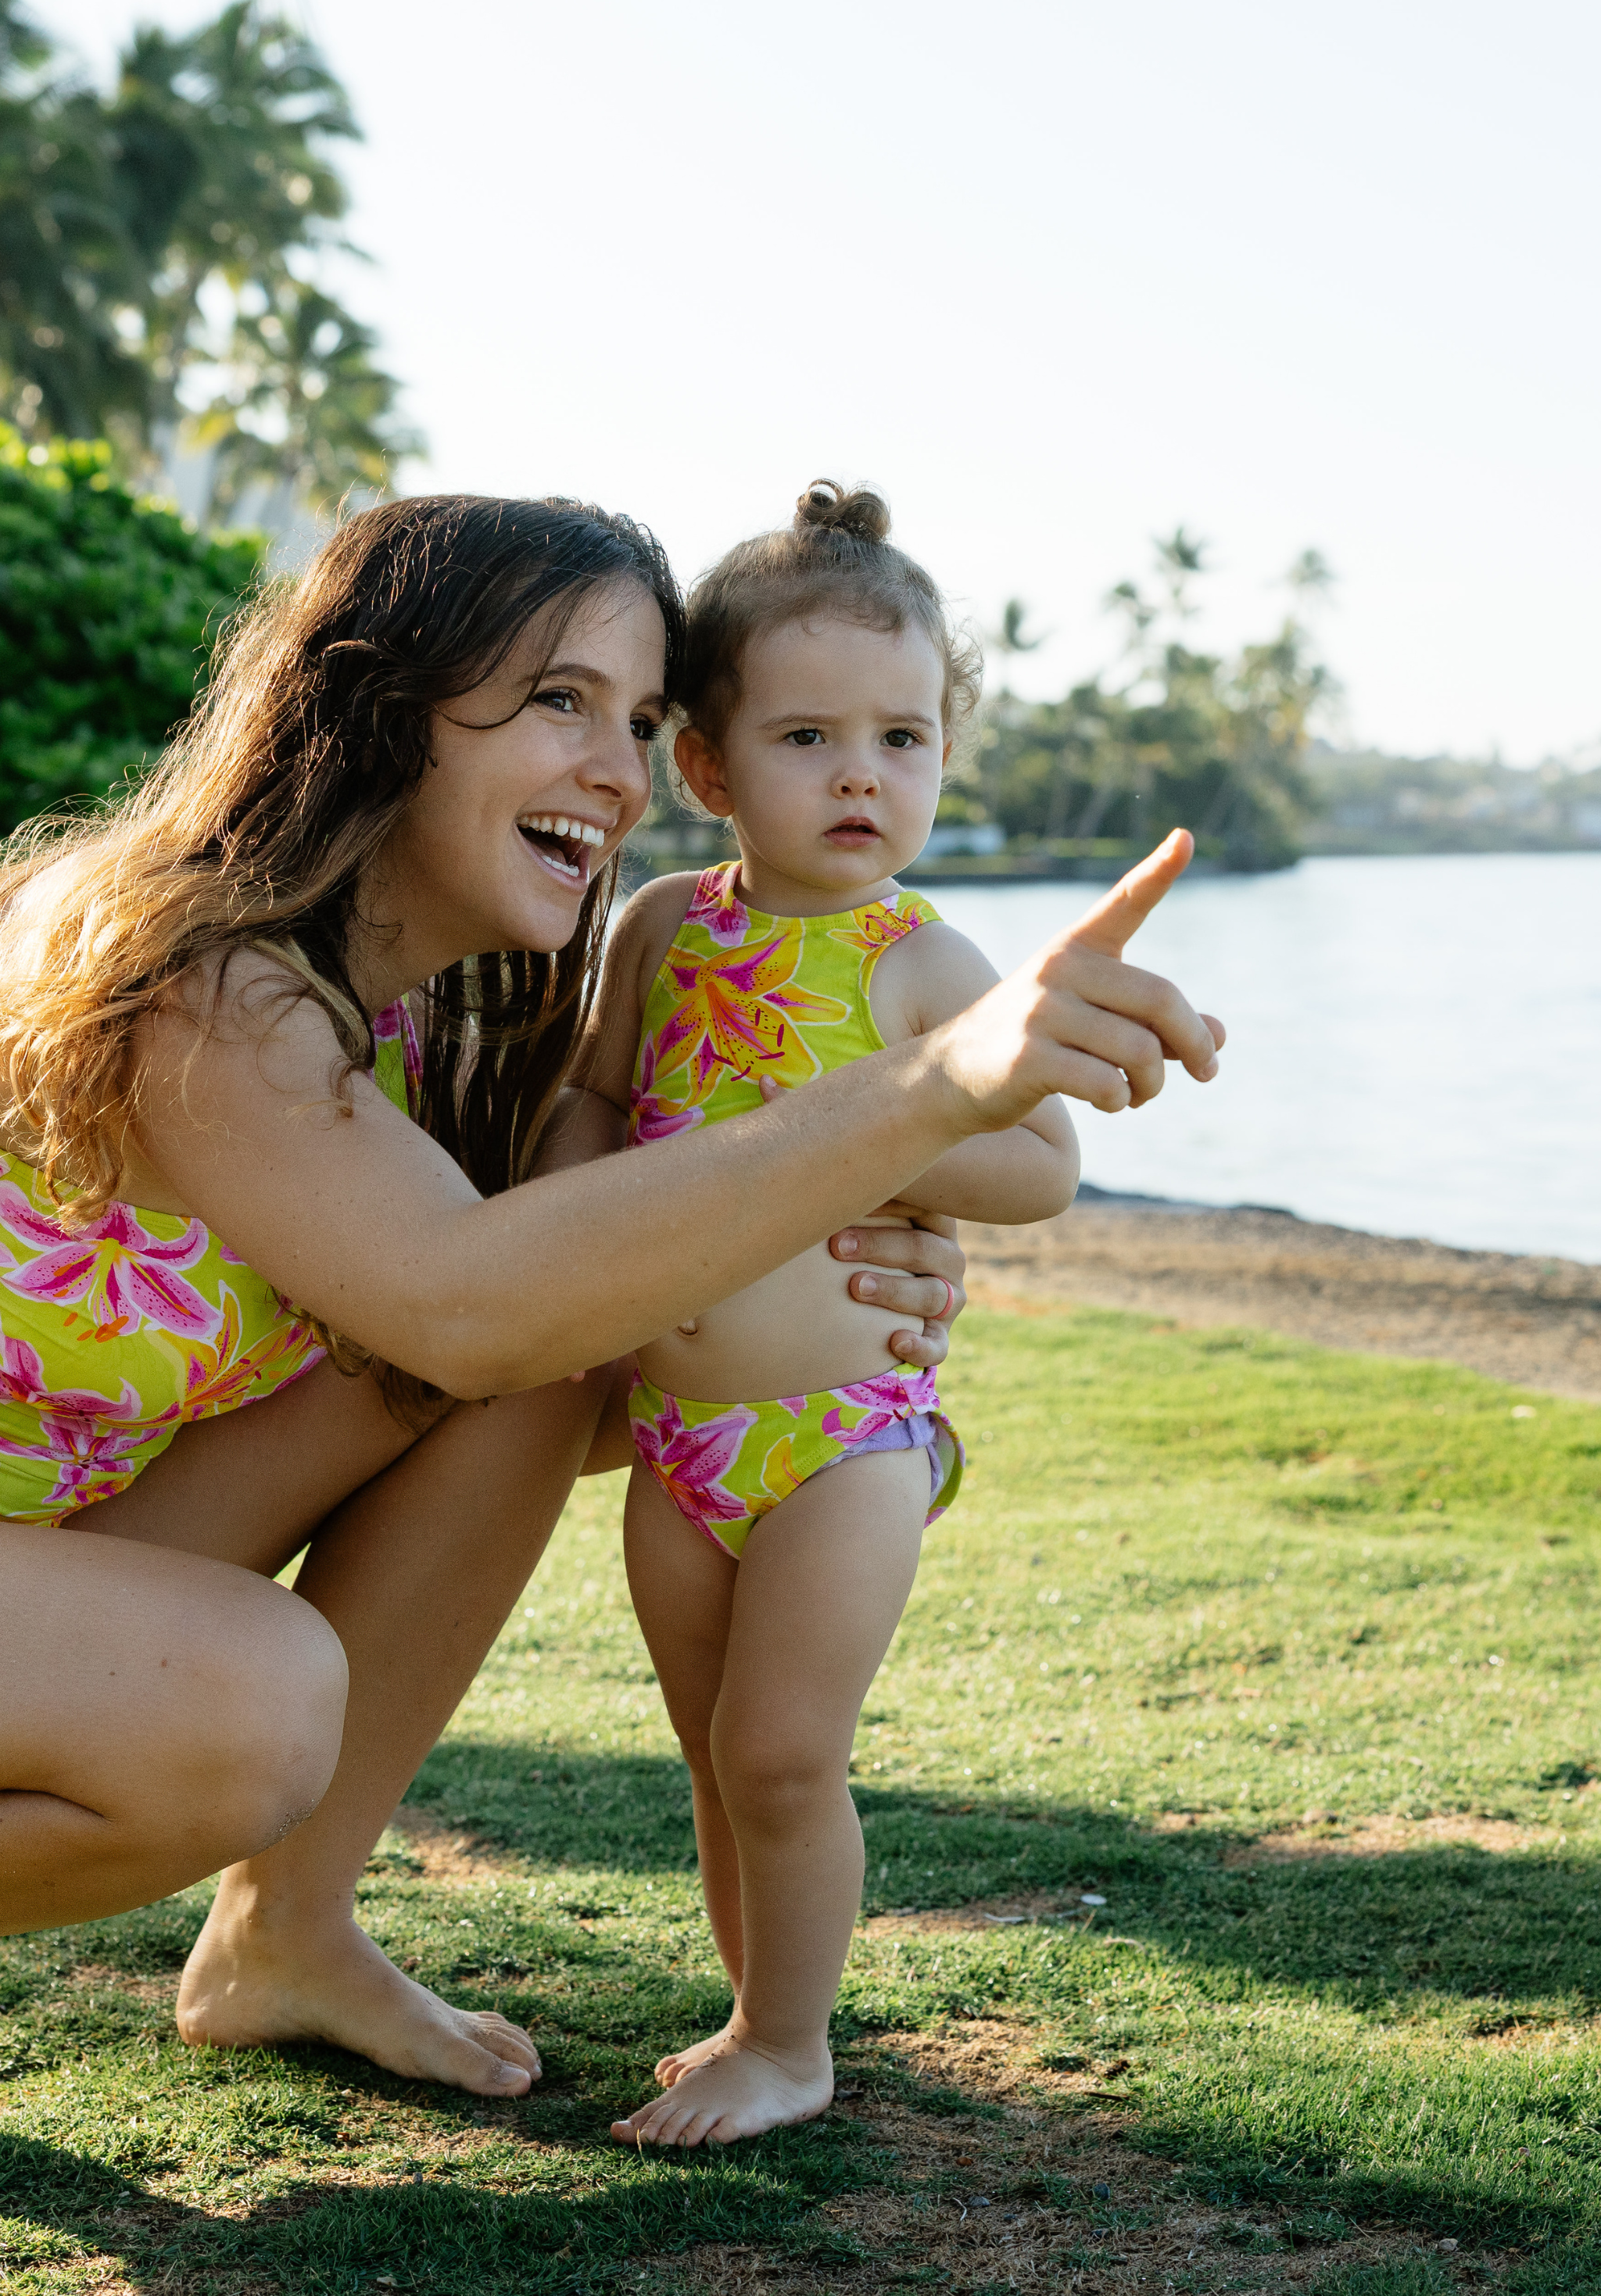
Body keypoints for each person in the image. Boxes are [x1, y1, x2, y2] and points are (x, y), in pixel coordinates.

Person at [0, 492, 1217, 2151]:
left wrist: (855, 1331)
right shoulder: (180, 973)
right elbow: (470, 1299)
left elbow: (556, 1330)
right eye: (555, 704)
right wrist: (929, 1093)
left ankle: (282, 1938)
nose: (617, 773)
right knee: (252, 1697)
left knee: (515, 1376)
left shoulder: (433, 1027)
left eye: (642, 717)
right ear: (378, 717)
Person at [569, 482, 1202, 2147]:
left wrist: (876, 1159)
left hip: (842, 1441)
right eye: (808, 737)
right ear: (705, 766)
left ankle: (795, 2048)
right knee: (715, 1760)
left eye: (904, 739)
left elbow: (1044, 1164)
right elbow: (595, 1112)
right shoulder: (656, 934)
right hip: (679, 1444)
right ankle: (755, 2011)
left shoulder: (918, 964)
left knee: (785, 1751)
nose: (864, 774)